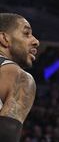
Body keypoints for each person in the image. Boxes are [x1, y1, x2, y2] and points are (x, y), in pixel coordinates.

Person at [0, 13, 39, 142]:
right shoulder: (19, 77)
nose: (36, 41)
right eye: (26, 33)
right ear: (4, 38)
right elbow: (6, 136)